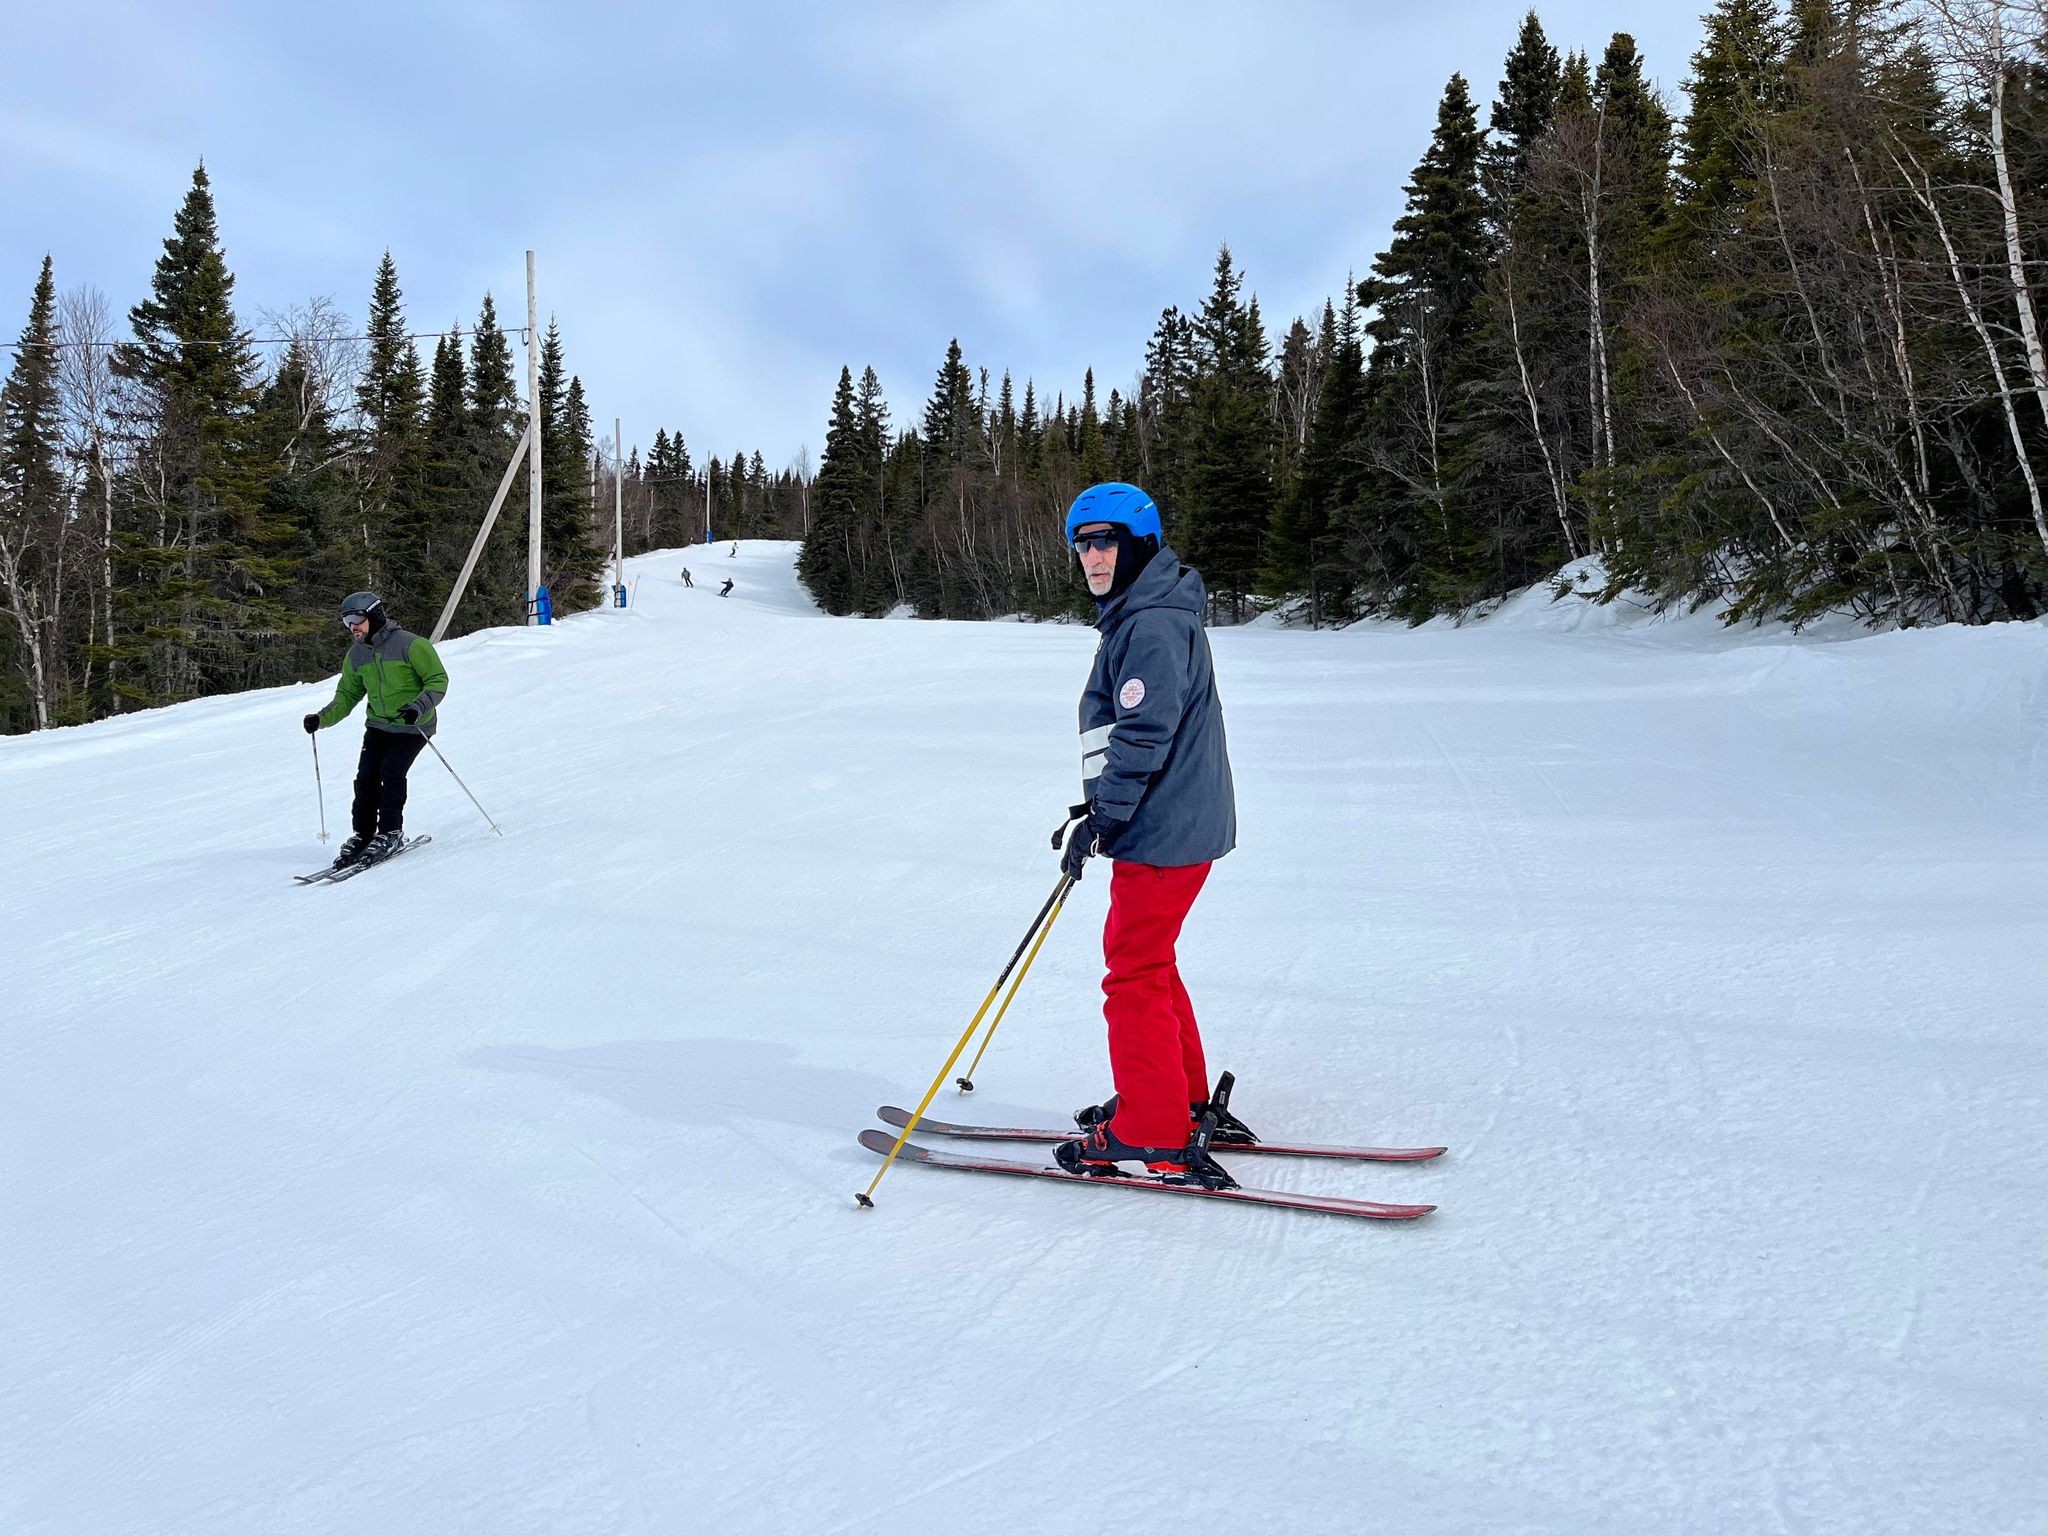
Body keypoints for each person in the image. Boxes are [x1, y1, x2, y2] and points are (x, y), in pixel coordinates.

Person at [1051, 482, 1237, 1186]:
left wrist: (1108, 813)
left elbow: (1143, 733)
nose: (1092, 557)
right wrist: (1096, 806)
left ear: (1138, 545)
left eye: (1106, 542)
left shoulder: (1151, 623)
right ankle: (1177, 1099)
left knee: (1130, 971)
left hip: (1164, 830)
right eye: (1083, 544)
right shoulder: (1145, 612)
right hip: (1177, 821)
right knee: (1151, 961)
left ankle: (1153, 1130)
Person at [302, 591, 448, 869]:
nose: (353, 626)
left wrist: (418, 707)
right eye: (347, 621)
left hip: (412, 725)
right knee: (366, 777)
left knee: (391, 772)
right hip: (378, 725)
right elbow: (347, 695)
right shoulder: (356, 655)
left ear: (375, 614)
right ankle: (363, 834)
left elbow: (437, 681)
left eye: (357, 618)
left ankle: (391, 832)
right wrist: (321, 719)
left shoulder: (411, 645)